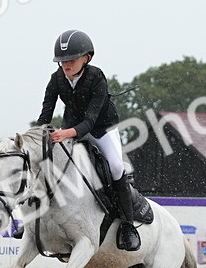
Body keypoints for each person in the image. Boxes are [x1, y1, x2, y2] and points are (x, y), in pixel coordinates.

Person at [37, 29, 142, 251]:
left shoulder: (96, 77)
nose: (66, 65)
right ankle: (34, 218)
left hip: (101, 128)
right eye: (62, 61)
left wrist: (65, 133)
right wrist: (38, 137)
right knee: (47, 162)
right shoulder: (56, 79)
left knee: (115, 167)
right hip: (71, 127)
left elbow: (90, 121)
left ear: (87, 58)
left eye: (72, 60)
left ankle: (127, 226)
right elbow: (45, 116)